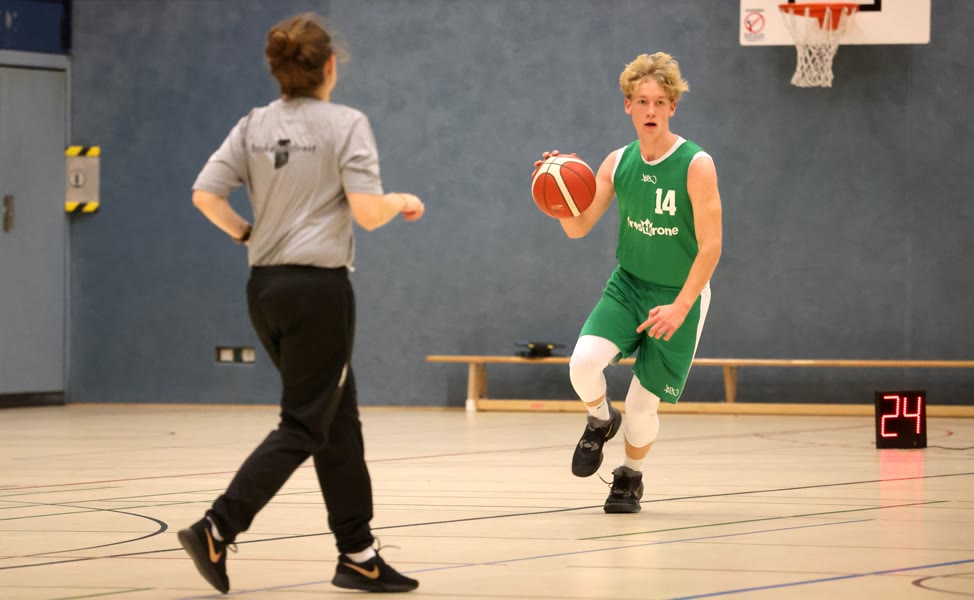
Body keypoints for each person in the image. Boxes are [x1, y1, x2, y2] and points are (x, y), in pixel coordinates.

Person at [179, 13, 423, 594]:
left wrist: (246, 234)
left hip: (265, 288)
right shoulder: (346, 123)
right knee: (305, 423)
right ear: (330, 67)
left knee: (336, 420)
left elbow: (205, 194)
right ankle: (218, 526)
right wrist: (400, 200)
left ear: (280, 70)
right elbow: (368, 212)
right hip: (318, 292)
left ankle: (358, 555)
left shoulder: (253, 125)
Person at [535, 52, 722, 513]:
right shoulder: (618, 162)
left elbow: (711, 246)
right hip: (629, 286)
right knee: (582, 365)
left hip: (678, 297)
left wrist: (681, 305)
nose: (651, 110)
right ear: (628, 106)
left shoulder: (696, 164)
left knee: (642, 407)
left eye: (659, 102)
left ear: (673, 106)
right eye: (642, 101)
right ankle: (600, 420)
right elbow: (579, 227)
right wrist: (559, 195)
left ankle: (629, 477)